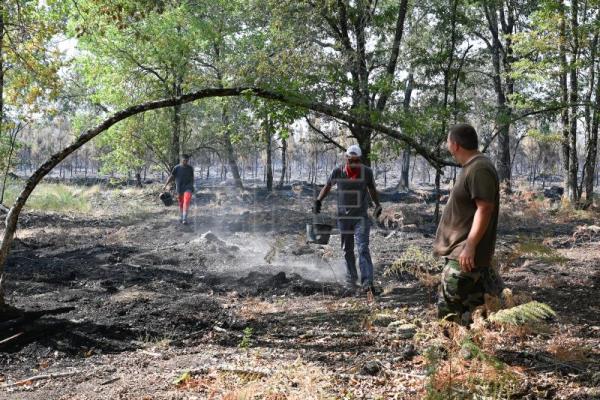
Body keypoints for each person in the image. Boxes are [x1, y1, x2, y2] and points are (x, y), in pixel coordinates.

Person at [433, 123, 503, 325]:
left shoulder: (479, 168)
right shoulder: (473, 167)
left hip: (463, 261)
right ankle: (466, 356)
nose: (447, 145)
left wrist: (470, 246)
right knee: (467, 320)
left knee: (450, 320)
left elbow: (485, 208)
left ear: (455, 145)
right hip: (463, 259)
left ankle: (454, 356)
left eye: (448, 141)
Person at [314, 144, 383, 292]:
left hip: (361, 218)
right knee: (347, 249)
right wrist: (318, 200)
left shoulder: (367, 172)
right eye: (350, 160)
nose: (353, 163)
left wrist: (378, 205)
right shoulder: (338, 172)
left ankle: (367, 283)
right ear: (346, 159)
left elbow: (372, 189)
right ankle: (351, 280)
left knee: (363, 248)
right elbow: (327, 186)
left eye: (356, 160)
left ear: (360, 160)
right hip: (343, 218)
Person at [162, 154, 194, 224]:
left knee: (186, 201)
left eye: (187, 160)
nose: (186, 162)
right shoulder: (177, 168)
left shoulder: (190, 168)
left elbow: (192, 178)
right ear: (181, 160)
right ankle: (182, 216)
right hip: (179, 188)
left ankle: (184, 218)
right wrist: (166, 185)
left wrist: (192, 186)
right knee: (181, 203)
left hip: (188, 187)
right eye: (184, 160)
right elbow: (171, 177)